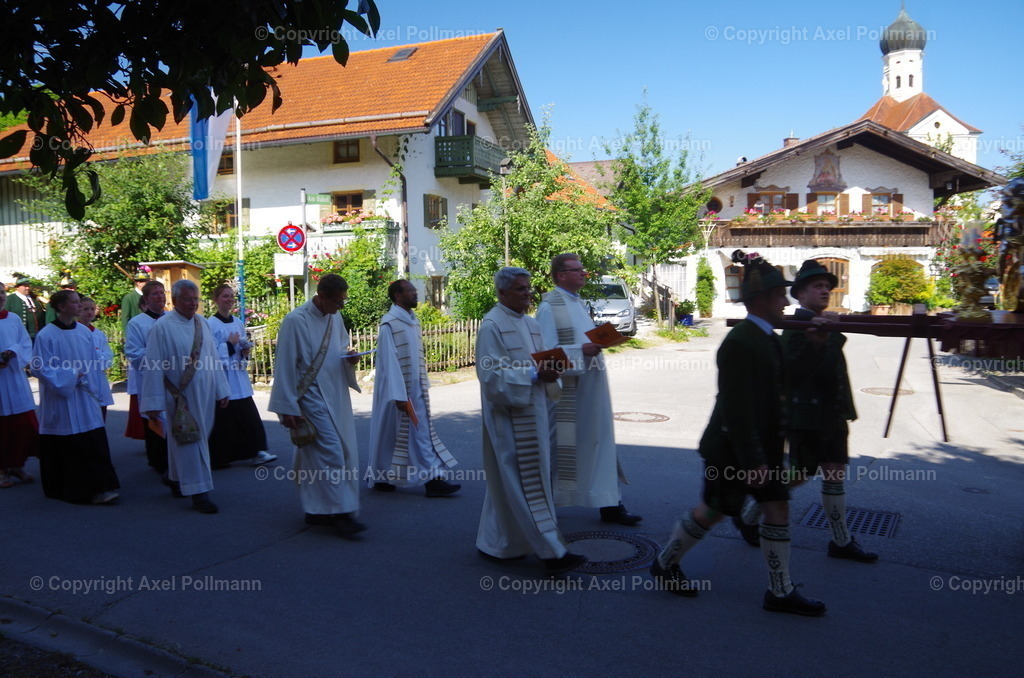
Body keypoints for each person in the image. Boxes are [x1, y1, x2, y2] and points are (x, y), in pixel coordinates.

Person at [650, 251, 826, 616]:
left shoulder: (768, 336)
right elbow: (735, 408)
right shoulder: (741, 341)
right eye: (780, 295)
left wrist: (815, 346)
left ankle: (780, 591)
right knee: (712, 511)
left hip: (763, 451)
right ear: (760, 300)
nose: (786, 301)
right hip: (732, 451)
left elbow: (787, 380)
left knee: (777, 507)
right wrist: (753, 461)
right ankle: (665, 562)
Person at [475, 267, 586, 575]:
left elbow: (544, 361)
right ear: (502, 293)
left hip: (534, 410)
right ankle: (552, 552)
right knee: (527, 482)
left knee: (506, 481)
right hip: (508, 417)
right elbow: (490, 376)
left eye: (528, 288)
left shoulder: (533, 324)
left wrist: (554, 368)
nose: (528, 294)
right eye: (521, 289)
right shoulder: (491, 325)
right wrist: (536, 374)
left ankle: (497, 543)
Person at [779, 260, 876, 562]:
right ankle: (752, 512)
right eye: (817, 287)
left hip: (832, 413)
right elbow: (797, 372)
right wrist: (825, 333)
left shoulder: (825, 322)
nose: (825, 291)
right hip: (807, 417)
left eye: (827, 287)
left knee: (834, 474)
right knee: (799, 474)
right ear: (800, 294)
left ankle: (840, 540)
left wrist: (831, 329)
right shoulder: (795, 327)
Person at [535, 253, 641, 525]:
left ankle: (609, 502)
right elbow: (546, 356)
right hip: (571, 395)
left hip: (592, 390)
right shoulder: (550, 307)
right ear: (561, 275)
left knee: (600, 444)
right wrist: (580, 350)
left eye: (583, 269)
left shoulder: (575, 303)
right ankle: (544, 507)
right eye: (577, 270)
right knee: (566, 451)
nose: (584, 274)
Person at [269, 274, 366, 537]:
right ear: (321, 296)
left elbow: (342, 347)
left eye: (343, 301)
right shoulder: (295, 321)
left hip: (335, 395)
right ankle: (342, 513)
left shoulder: (335, 316)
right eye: (338, 302)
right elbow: (285, 366)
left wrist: (351, 358)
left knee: (314, 456)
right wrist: (287, 407)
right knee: (333, 453)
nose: (341, 307)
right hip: (310, 398)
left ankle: (316, 509)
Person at [140, 280, 229, 514]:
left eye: (196, 299)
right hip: (179, 396)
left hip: (205, 394)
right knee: (191, 440)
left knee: (185, 439)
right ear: (176, 300)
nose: (192, 303)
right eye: (188, 299)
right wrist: (152, 402)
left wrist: (222, 389)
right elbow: (153, 365)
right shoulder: (162, 327)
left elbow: (212, 358)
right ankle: (199, 493)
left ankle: (174, 477)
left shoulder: (202, 323)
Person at [367, 279, 460, 497]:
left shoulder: (412, 321)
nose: (416, 294)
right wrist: (399, 395)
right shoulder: (389, 323)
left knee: (396, 433)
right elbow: (389, 361)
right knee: (412, 433)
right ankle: (433, 480)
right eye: (411, 291)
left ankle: (383, 477)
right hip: (396, 390)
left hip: (415, 388)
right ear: (398, 296)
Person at [31, 289, 120, 504]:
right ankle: (71, 490)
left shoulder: (83, 332)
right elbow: (38, 367)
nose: (79, 306)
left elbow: (92, 362)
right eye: (75, 302)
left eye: (80, 302)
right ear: (61, 307)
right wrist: (70, 376)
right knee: (69, 441)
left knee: (92, 439)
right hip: (61, 397)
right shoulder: (46, 335)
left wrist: (91, 383)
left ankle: (102, 486)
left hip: (85, 394)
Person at [206, 284, 276, 468]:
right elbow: (210, 352)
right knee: (224, 420)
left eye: (231, 296)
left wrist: (244, 352)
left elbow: (241, 344)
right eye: (224, 296)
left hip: (238, 374)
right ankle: (221, 456)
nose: (229, 299)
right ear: (216, 299)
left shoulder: (237, 321)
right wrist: (229, 345)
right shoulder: (210, 324)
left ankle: (258, 451)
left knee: (248, 416)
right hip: (223, 377)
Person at [124, 281, 168, 474]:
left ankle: (173, 459)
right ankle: (158, 462)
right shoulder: (137, 323)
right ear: (146, 299)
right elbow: (133, 353)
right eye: (155, 294)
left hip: (174, 379)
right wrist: (158, 354)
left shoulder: (173, 319)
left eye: (162, 292)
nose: (160, 297)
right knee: (155, 417)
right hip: (151, 380)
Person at [0, 284, 39, 488]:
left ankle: (17, 465)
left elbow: (25, 344)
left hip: (14, 377)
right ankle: (2, 470)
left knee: (23, 425)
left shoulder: (13, 319)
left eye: (2, 293)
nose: (1, 297)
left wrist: (13, 352)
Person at [76, 296, 115, 421]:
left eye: (92, 309)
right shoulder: (74, 333)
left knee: (100, 416)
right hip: (82, 379)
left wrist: (96, 356)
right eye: (85, 309)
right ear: (78, 310)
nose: (89, 312)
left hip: (98, 378)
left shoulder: (99, 334)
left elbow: (108, 356)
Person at [4, 276, 46, 342]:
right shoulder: (9, 300)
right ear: (17, 287)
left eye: (28, 286)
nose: (28, 288)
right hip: (19, 337)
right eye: (25, 286)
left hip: (37, 336)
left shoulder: (34, 299)